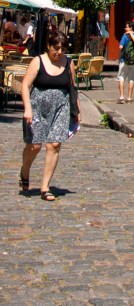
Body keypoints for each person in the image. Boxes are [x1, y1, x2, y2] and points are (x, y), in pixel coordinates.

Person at [19, 30, 81, 201]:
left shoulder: (68, 63)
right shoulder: (38, 61)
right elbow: (25, 85)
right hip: (37, 106)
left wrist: (77, 111)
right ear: (48, 46)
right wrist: (28, 108)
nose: (59, 52)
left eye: (63, 48)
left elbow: (73, 88)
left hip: (61, 106)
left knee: (54, 144)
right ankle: (25, 171)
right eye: (56, 48)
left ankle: (45, 187)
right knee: (35, 146)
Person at [117, 22, 134, 103]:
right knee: (131, 79)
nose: (125, 28)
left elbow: (120, 47)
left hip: (124, 60)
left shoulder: (125, 36)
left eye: (126, 27)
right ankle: (129, 98)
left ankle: (122, 97)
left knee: (121, 78)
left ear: (131, 28)